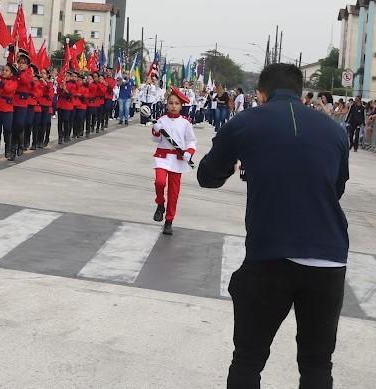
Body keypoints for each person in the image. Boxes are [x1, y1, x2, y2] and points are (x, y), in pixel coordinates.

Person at [197, 63, 350, 388]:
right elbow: (336, 189)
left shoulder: (245, 122)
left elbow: (207, 177)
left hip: (270, 255)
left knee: (248, 360)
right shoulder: (335, 130)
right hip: (329, 258)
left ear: (261, 94)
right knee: (317, 365)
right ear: (301, 93)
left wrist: (242, 161)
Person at [150, 87, 197, 236]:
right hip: (162, 157)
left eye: (177, 103)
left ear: (181, 106)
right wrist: (156, 130)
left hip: (178, 160)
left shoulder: (186, 123)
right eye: (171, 103)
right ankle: (160, 204)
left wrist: (189, 152)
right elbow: (156, 139)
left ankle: (169, 220)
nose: (173, 106)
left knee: (173, 192)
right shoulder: (161, 120)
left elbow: (191, 141)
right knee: (160, 182)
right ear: (167, 104)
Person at [0, 53, 17, 163]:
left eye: (6, 70)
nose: (3, 72)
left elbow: (8, 90)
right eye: (3, 70)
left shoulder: (14, 82)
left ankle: (8, 150)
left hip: (7, 110)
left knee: (7, 129)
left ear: (11, 73)